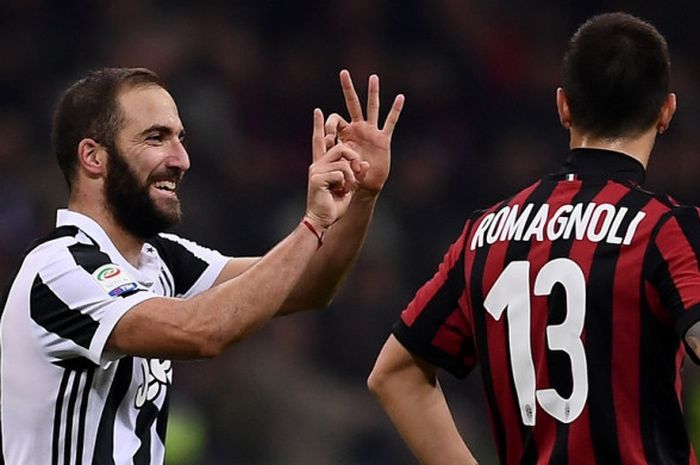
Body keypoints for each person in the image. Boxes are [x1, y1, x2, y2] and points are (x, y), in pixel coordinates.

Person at [0, 66, 404, 464]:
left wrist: (362, 194)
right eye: (156, 138)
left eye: (180, 138)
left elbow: (307, 285)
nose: (181, 159)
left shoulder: (162, 258)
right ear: (93, 157)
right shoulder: (58, 269)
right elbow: (201, 332)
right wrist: (312, 224)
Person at [368, 12, 700, 465]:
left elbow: (394, 375)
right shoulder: (666, 230)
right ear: (666, 111)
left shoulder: (484, 233)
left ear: (563, 105)